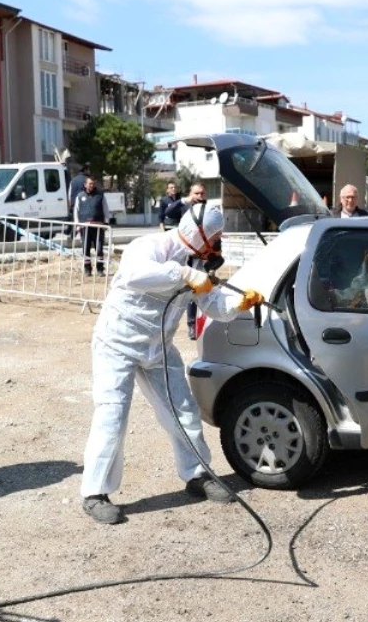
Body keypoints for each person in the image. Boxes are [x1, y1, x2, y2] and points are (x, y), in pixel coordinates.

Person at [80, 202, 266, 525]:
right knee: (112, 414)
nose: (217, 243)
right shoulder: (151, 246)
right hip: (117, 343)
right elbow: (136, 276)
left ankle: (198, 475)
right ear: (199, 233)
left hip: (158, 349)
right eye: (215, 236)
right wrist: (182, 273)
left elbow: (213, 304)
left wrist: (239, 302)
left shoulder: (198, 264)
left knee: (183, 410)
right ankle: (95, 493)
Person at [165, 183, 208, 339]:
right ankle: (173, 322)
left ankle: (194, 325)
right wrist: (184, 201)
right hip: (185, 255)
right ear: (191, 194)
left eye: (202, 193)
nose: (200, 196)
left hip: (202, 256)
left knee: (197, 289)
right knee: (181, 289)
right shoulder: (184, 207)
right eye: (196, 193)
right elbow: (168, 211)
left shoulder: (208, 210)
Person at [74, 176, 112, 276]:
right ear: (85, 185)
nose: (92, 185)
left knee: (99, 249)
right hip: (84, 227)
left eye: (93, 183)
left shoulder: (100, 196)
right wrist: (77, 225)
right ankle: (87, 270)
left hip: (98, 227)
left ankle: (100, 269)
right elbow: (76, 211)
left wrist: (106, 222)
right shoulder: (80, 196)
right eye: (90, 183)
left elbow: (106, 209)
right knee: (85, 248)